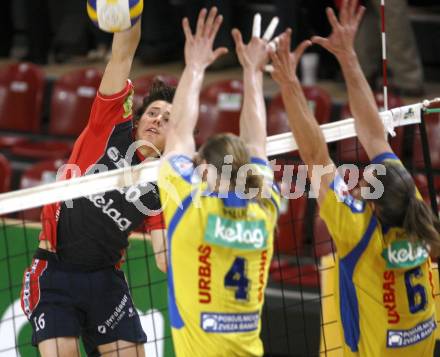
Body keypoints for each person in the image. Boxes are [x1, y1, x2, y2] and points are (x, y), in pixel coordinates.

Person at [269, 0, 440, 355]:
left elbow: (316, 155)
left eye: (366, 187)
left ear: (374, 209)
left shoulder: (356, 230)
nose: (361, 183)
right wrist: (349, 58)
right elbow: (375, 136)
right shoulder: (415, 209)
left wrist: (288, 81)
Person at [20, 16, 174, 356]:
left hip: (106, 282)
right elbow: (122, 52)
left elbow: (164, 257)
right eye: (153, 113)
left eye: (168, 119)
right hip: (54, 272)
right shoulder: (109, 127)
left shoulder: (162, 187)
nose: (158, 120)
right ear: (138, 117)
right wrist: (131, 12)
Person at [158, 7, 280, 356]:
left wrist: (195, 66)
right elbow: (256, 144)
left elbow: (179, 132)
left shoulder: (187, 204)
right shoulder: (264, 207)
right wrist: (253, 73)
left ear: (207, 171)